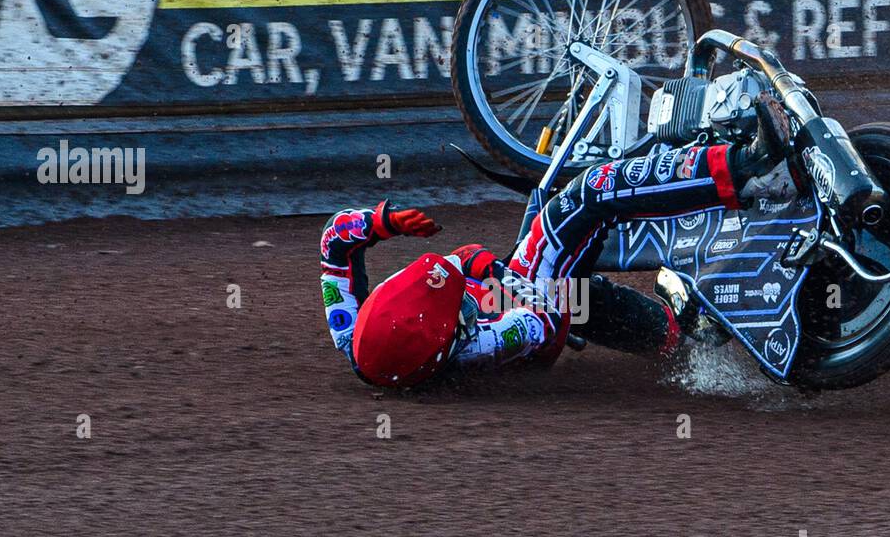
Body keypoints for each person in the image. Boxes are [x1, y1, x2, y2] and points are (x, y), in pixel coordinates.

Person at [319, 133, 796, 388]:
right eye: (453, 310)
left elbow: (333, 244)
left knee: (666, 335)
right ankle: (746, 171)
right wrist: (500, 273)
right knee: (588, 195)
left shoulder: (349, 332)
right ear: (451, 342)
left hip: (513, 286)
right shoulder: (486, 344)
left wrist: (383, 223)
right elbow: (539, 321)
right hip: (541, 307)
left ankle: (679, 317)